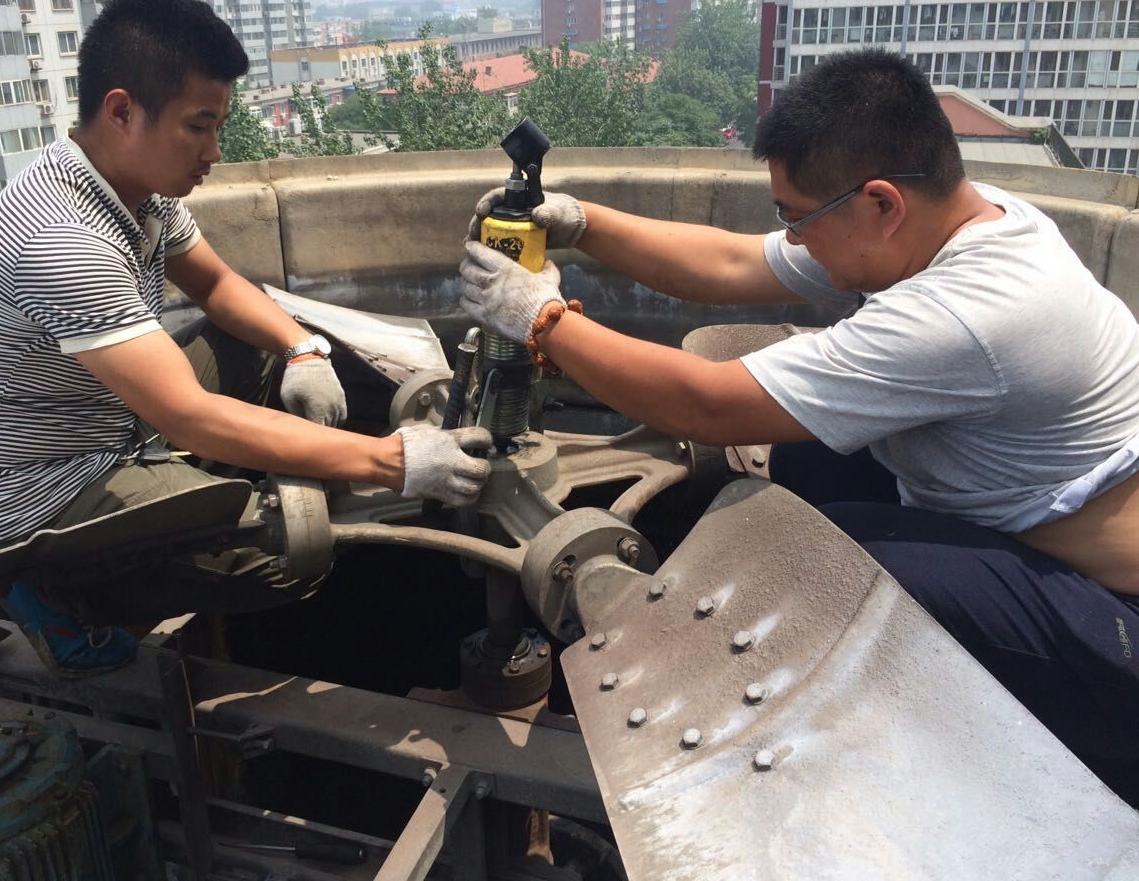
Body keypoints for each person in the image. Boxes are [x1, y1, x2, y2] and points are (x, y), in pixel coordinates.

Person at [458, 49, 1139, 805]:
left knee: (820, 571)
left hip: (1112, 624)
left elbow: (707, 404)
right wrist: (584, 224)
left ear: (881, 204)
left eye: (799, 217)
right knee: (803, 470)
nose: (795, 237)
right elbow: (733, 264)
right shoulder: (955, 222)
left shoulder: (967, 313)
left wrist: (542, 320)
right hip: (1027, 519)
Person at [0, 0, 491, 679]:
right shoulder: (61, 239)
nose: (214, 151)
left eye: (218, 126)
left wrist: (302, 349)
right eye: (198, 126)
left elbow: (219, 287)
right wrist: (390, 463)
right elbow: (188, 416)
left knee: (261, 345)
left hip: (97, 419)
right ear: (122, 112)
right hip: (38, 489)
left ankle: (205, 495)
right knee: (293, 556)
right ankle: (55, 594)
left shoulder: (137, 192)